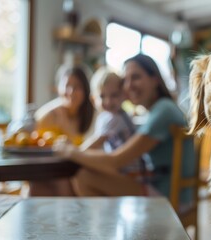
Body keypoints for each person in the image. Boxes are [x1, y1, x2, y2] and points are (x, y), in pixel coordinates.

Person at [55, 54, 195, 203]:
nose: (128, 86)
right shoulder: (159, 110)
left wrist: (71, 152)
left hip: (167, 195)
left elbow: (117, 160)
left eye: (135, 77)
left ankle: (104, 223)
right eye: (125, 81)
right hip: (166, 189)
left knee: (83, 175)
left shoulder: (163, 111)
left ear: (154, 79)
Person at [30, 66, 95, 196]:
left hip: (73, 170)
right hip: (47, 173)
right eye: (66, 86)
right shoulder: (48, 115)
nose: (70, 91)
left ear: (85, 90)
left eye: (76, 87)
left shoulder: (89, 114)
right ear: (58, 88)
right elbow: (32, 149)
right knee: (64, 180)